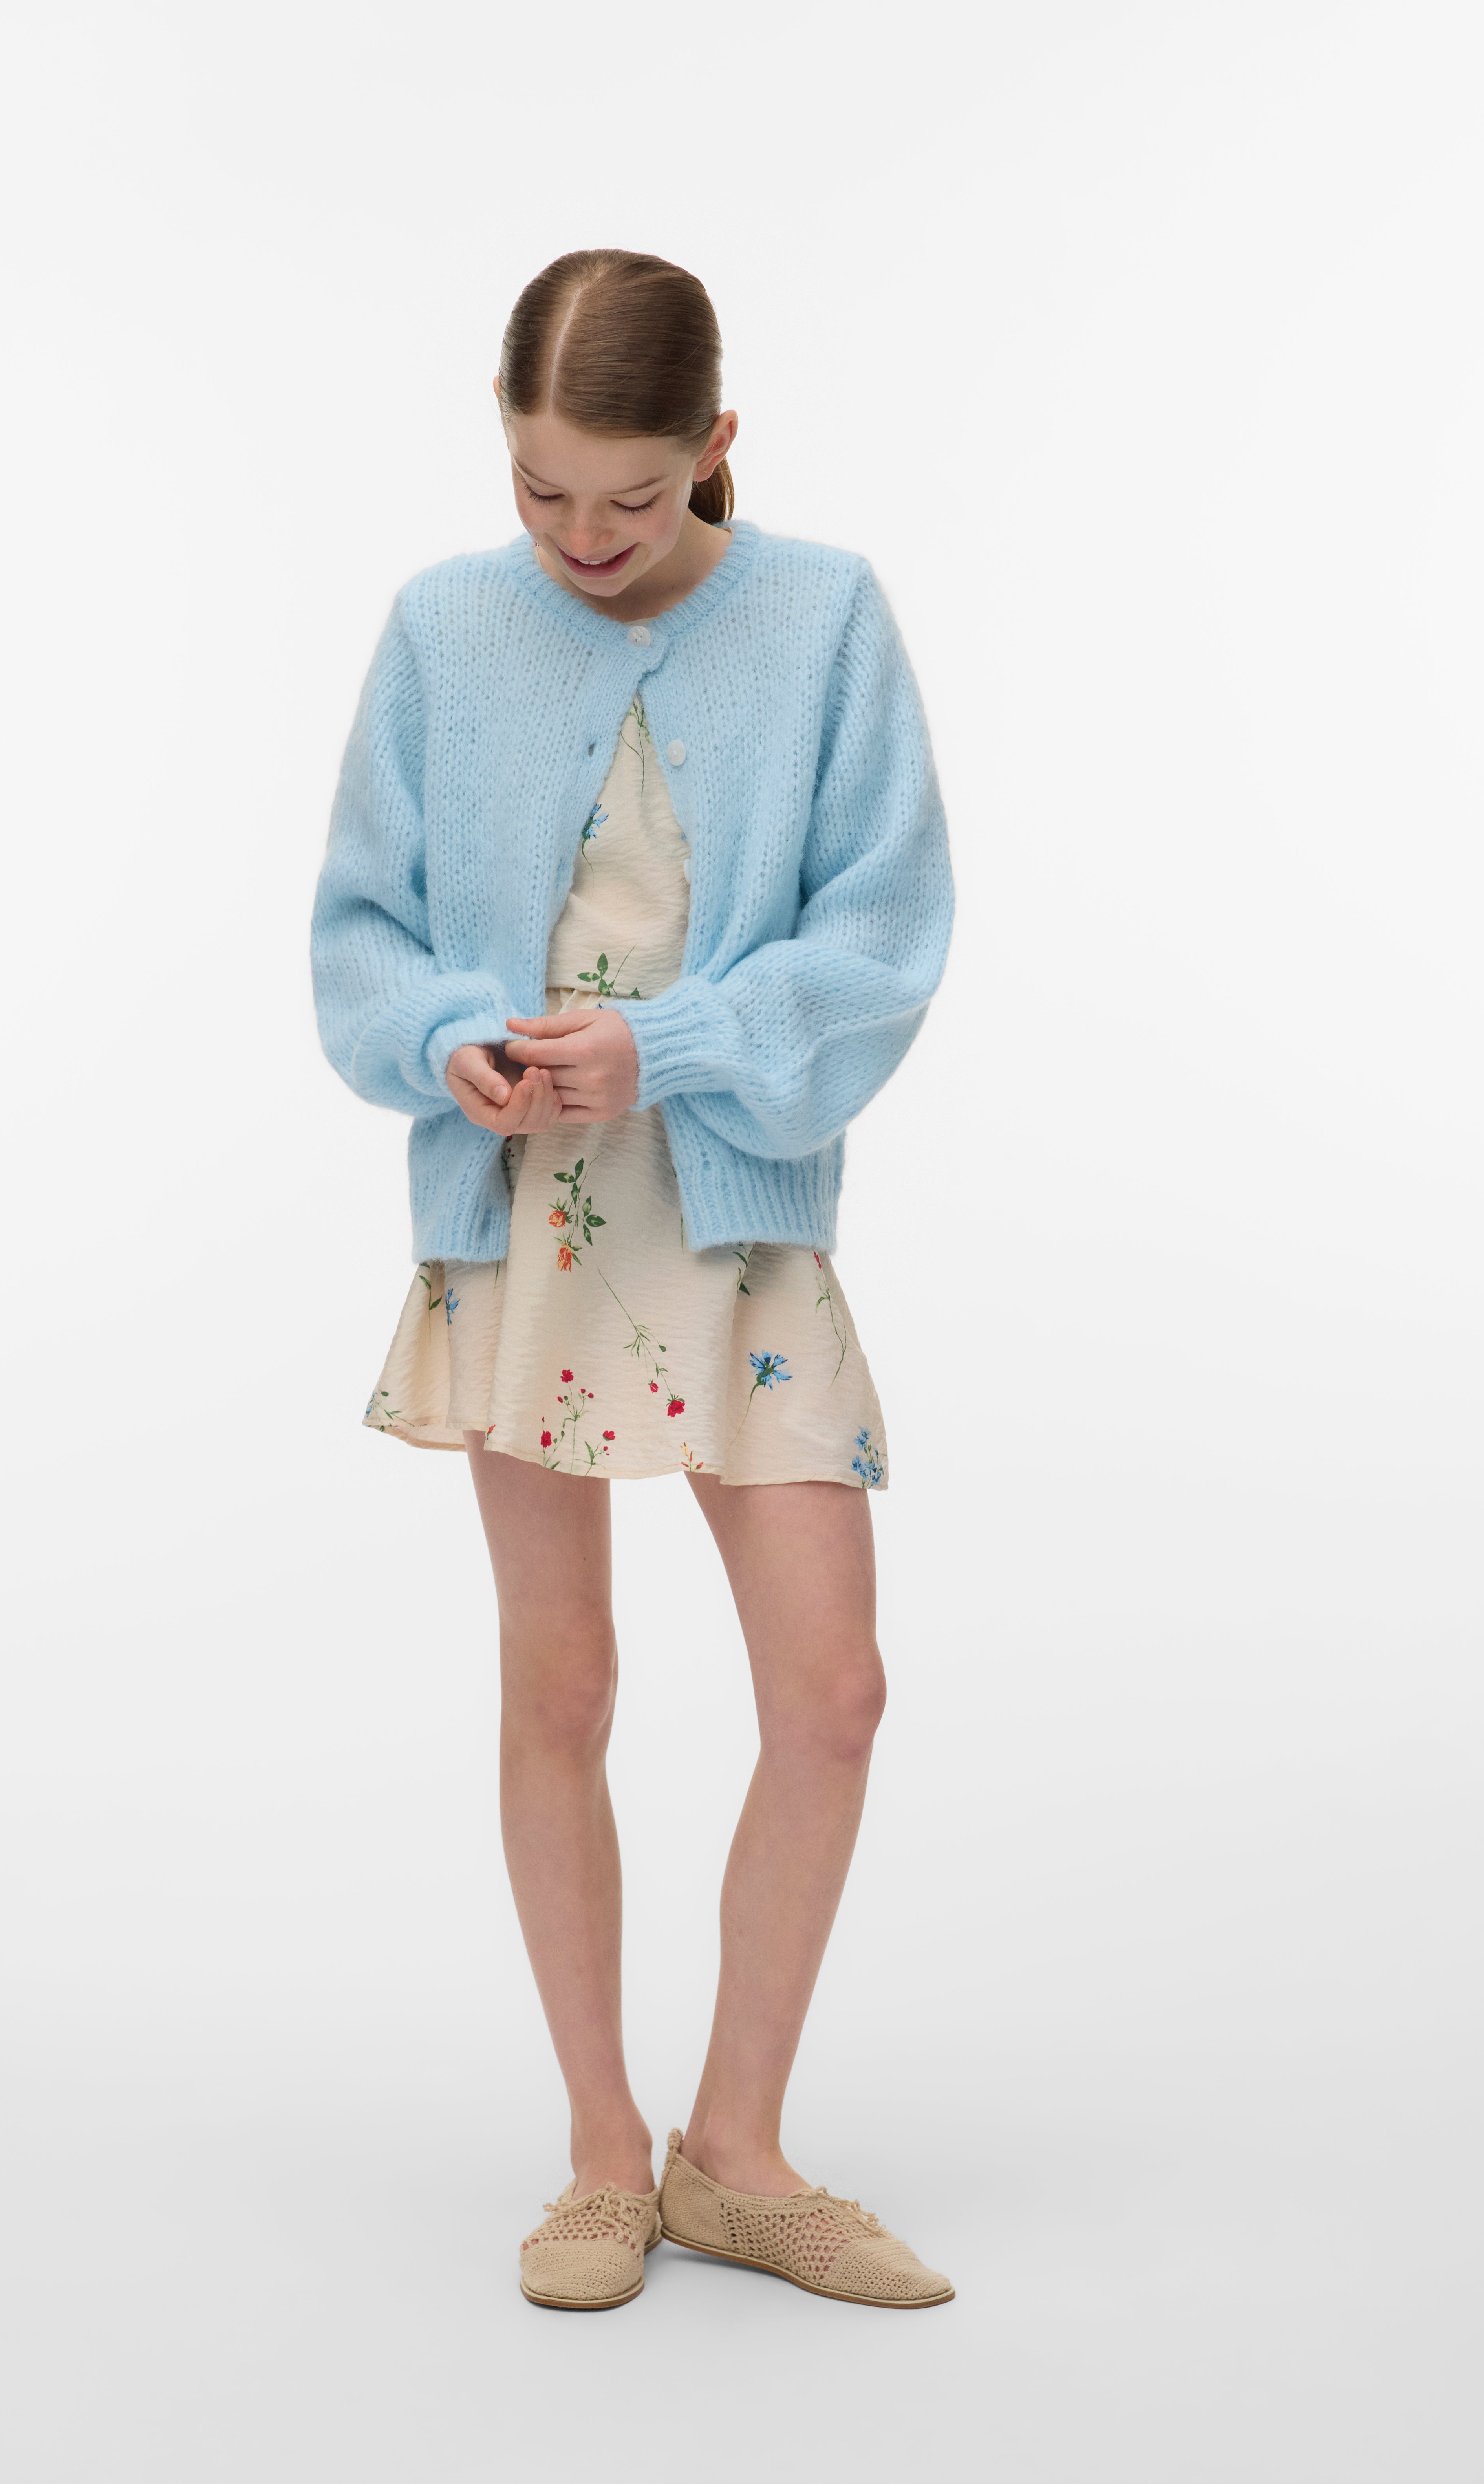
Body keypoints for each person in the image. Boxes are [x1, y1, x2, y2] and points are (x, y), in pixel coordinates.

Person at [311, 249, 956, 2312]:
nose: (583, 537)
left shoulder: (824, 614)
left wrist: (665, 1045)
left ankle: (734, 2152)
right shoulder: (442, 626)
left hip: (737, 1213)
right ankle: (603, 2153)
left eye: (634, 495)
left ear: (718, 446)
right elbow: (359, 937)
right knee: (561, 1681)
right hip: (527, 1223)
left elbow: (886, 937)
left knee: (832, 1694)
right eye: (541, 491)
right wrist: (447, 1041)